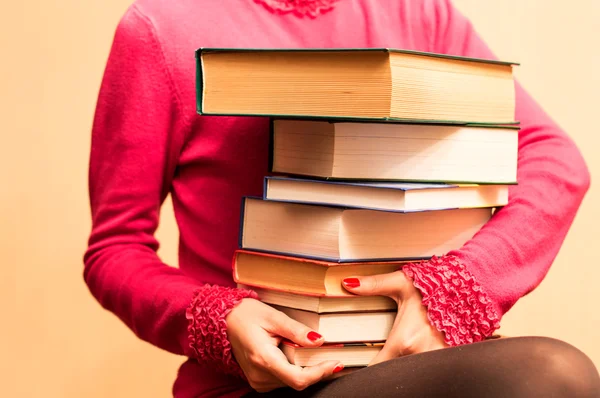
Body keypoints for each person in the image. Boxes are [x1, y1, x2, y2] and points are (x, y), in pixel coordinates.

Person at [84, 0, 600, 396]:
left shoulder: (417, 11)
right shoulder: (160, 27)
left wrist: (459, 288)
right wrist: (217, 320)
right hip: (268, 383)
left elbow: (555, 159)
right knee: (553, 376)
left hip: (423, 364)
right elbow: (115, 248)